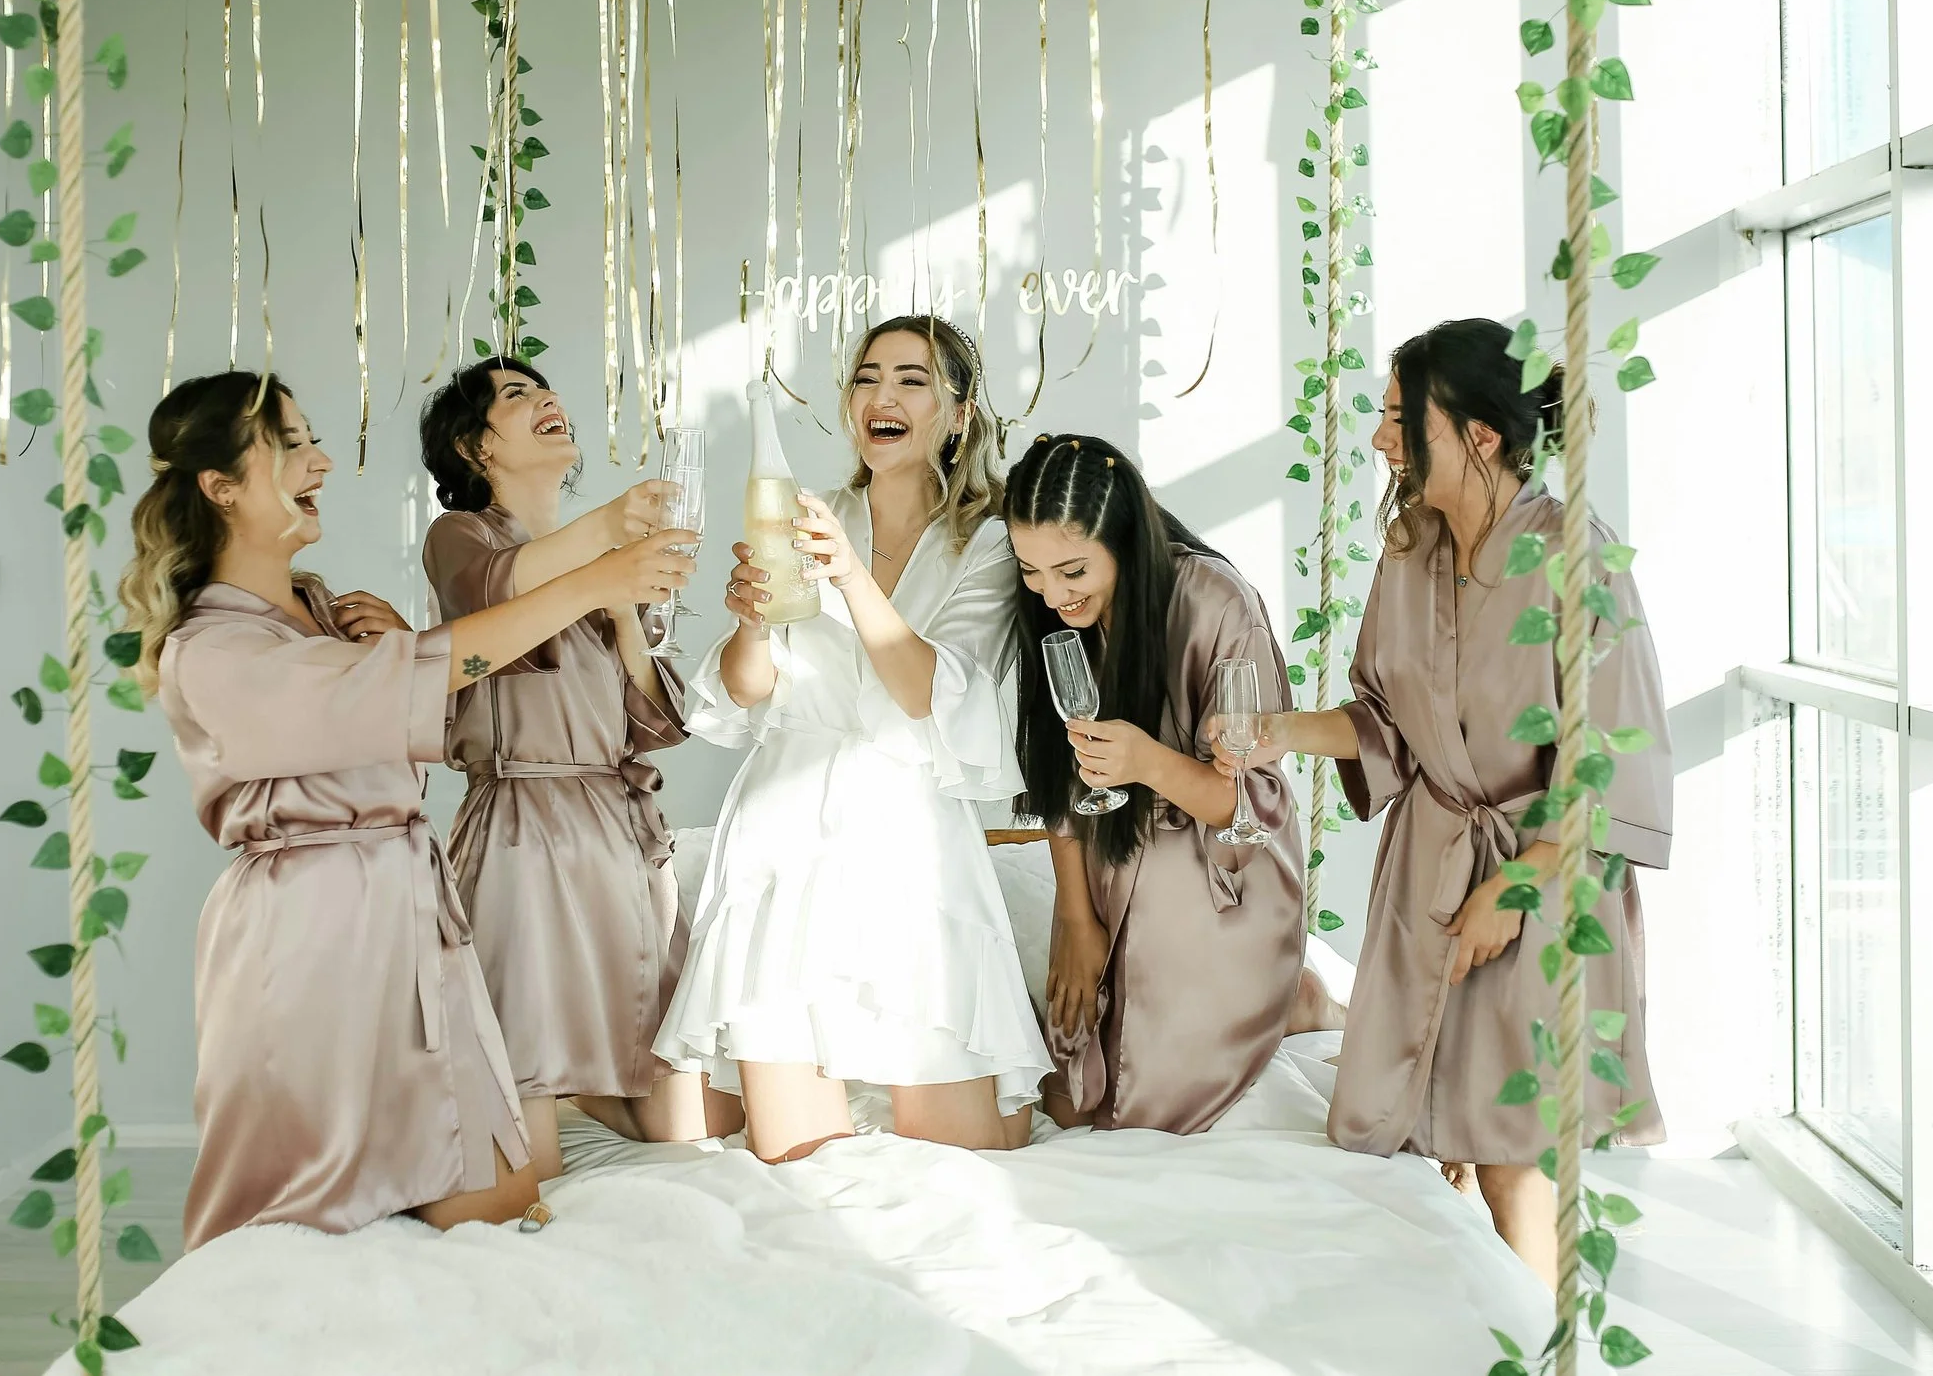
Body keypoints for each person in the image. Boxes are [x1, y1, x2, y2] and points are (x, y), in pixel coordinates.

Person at [118, 371, 694, 1249]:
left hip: (418, 922)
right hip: (310, 937)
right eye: (296, 444)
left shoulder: (325, 614)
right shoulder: (215, 648)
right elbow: (421, 676)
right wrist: (592, 575)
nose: (323, 461)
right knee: (296, 1225)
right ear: (222, 485)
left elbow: (432, 681)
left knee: (501, 1212)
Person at [1216, 318, 1671, 1283]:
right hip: (1429, 879)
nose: (1382, 439)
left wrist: (1509, 896)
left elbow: (1611, 766)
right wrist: (1273, 729)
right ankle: (1470, 1329)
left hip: (1545, 885)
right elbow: (1384, 724)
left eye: (1397, 418)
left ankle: (1545, 1343)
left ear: (1479, 435)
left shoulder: (1574, 558)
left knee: (1513, 1154)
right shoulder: (1411, 549)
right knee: (1428, 1135)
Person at [659, 316, 1051, 1161]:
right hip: (784, 838)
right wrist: (752, 624)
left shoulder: (986, 543)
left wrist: (848, 574)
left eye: (913, 380)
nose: (882, 395)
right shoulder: (807, 514)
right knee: (802, 1162)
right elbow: (743, 695)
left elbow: (931, 694)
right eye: (868, 376)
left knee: (969, 1153)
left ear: (958, 411)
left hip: (913, 846)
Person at [419, 358, 743, 1181]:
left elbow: (653, 722)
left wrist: (629, 606)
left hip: (621, 837)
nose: (547, 400)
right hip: (527, 834)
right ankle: (540, 1094)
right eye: (516, 396)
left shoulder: (611, 559)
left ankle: (587, 1089)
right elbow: (493, 600)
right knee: (527, 1151)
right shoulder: (461, 538)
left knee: (696, 1120)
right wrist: (605, 551)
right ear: (473, 445)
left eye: (546, 388)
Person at [1004, 434, 1312, 1134]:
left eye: (1073, 569)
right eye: (1031, 570)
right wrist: (1078, 918)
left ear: (1121, 535)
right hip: (1111, 865)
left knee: (1148, 1106)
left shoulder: (1215, 603)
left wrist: (1147, 762)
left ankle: (1292, 997)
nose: (1052, 593)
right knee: (1067, 1088)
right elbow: (1057, 779)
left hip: (1221, 877)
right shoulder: (1053, 618)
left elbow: (1250, 810)